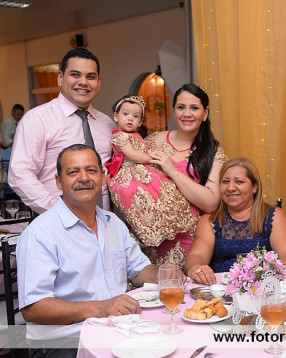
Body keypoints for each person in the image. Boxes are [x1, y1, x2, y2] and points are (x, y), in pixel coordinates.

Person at [17, 144, 157, 358]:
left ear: (102, 177)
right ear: (59, 181)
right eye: (73, 172)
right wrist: (102, 308)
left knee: (163, 354)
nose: (84, 178)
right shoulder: (41, 233)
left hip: (116, 330)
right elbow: (33, 308)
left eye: (91, 170)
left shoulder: (112, 223)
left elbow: (140, 271)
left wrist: (169, 275)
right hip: (59, 344)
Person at [9, 48, 115, 214]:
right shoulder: (38, 119)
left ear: (99, 83)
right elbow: (19, 174)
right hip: (56, 223)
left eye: (90, 77)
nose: (83, 82)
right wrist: (59, 212)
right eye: (75, 75)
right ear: (60, 78)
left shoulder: (107, 124)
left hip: (104, 222)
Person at [184, 157, 286, 285]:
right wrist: (196, 268)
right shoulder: (209, 219)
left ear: (254, 187)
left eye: (239, 181)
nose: (230, 188)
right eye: (225, 182)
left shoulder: (273, 215)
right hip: (222, 290)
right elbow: (197, 256)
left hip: (261, 289)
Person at [145, 83, 227, 267]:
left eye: (194, 108)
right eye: (181, 107)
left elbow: (211, 203)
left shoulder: (213, 151)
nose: (187, 114)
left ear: (205, 113)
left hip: (191, 245)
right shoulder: (154, 140)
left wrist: (172, 170)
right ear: (174, 111)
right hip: (150, 240)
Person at [106, 95, 192, 247]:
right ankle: (145, 230)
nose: (130, 118)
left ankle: (164, 223)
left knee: (160, 195)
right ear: (116, 116)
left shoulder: (136, 135)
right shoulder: (120, 136)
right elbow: (132, 155)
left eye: (135, 116)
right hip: (130, 173)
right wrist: (150, 158)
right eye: (125, 114)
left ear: (140, 122)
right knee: (139, 201)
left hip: (142, 171)